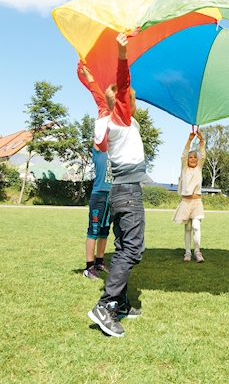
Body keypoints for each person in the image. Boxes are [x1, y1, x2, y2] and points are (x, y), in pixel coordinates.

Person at [86, 33, 148, 338]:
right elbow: (121, 86)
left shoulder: (110, 120)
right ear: (128, 104)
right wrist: (122, 52)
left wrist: (91, 83)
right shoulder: (122, 119)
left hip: (118, 191)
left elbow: (104, 99)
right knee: (134, 248)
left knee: (124, 245)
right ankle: (107, 304)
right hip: (128, 192)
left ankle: (121, 302)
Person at [79, 66, 113, 280]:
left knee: (104, 231)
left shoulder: (115, 149)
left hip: (112, 195)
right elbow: (102, 105)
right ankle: (88, 266)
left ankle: (100, 262)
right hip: (99, 194)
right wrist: (91, 78)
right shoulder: (99, 146)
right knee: (93, 230)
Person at [172, 130, 206, 262]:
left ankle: (197, 252)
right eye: (190, 157)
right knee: (187, 228)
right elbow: (183, 155)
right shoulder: (184, 169)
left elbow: (203, 154)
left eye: (195, 157)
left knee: (196, 226)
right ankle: (187, 252)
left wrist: (201, 141)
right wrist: (190, 140)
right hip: (186, 202)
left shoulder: (199, 168)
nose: (192, 159)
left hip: (197, 202)